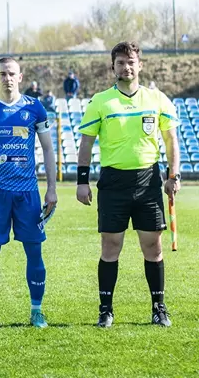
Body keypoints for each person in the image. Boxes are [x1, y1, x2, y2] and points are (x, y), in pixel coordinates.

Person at [76, 41, 181, 328]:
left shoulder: (157, 99)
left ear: (140, 65)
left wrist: (173, 176)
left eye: (131, 62)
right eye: (121, 62)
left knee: (153, 246)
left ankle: (158, 308)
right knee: (110, 246)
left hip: (148, 181)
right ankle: (105, 310)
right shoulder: (100, 101)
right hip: (113, 183)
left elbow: (171, 139)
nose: (126, 67)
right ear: (113, 67)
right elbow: (86, 143)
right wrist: (82, 181)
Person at [0, 57, 57, 329]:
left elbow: (48, 148)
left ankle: (37, 312)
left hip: (28, 192)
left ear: (20, 77)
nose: (7, 78)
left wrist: (51, 189)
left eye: (12, 73)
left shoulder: (34, 108)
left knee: (34, 252)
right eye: (2, 74)